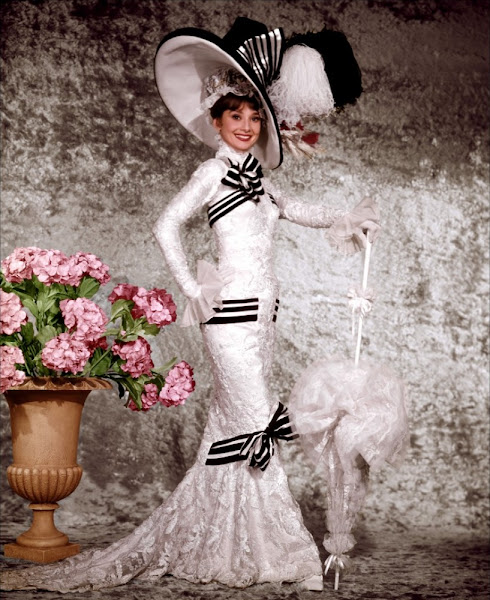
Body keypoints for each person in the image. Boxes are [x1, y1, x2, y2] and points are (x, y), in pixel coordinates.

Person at [0, 18, 379, 593]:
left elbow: (301, 210)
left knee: (232, 430)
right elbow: (165, 225)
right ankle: (285, 554)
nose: (246, 126)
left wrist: (350, 219)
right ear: (216, 120)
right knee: (257, 423)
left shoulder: (261, 180)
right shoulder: (212, 172)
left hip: (263, 321)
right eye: (235, 116)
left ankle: (224, 538)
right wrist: (193, 288)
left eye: (255, 117)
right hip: (227, 321)